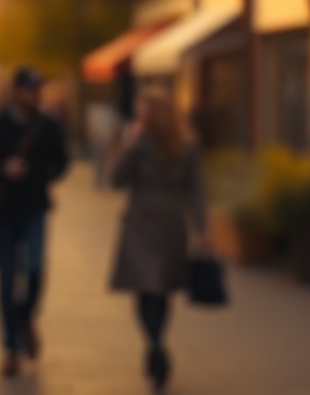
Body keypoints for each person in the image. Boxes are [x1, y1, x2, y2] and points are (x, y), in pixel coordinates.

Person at [108, 87, 210, 392]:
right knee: (159, 291)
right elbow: (196, 191)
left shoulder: (174, 145)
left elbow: (115, 180)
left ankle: (156, 347)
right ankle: (158, 346)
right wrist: (202, 226)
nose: (138, 114)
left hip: (146, 222)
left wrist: (132, 145)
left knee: (147, 292)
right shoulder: (186, 144)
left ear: (152, 113)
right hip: (167, 223)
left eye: (142, 109)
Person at [0, 67, 70, 379]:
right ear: (16, 91)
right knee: (6, 280)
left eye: (37, 89)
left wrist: (43, 179)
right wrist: (2, 169)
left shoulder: (48, 125)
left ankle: (26, 318)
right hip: (3, 210)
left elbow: (63, 160)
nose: (34, 95)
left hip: (36, 208)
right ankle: (11, 348)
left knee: (36, 272)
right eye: (29, 89)